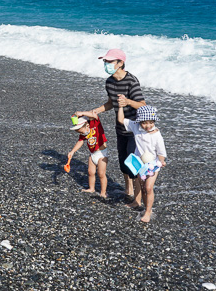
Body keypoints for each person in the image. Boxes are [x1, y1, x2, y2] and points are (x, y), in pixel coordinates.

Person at [84, 48, 147, 203]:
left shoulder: (131, 81)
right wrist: (96, 111)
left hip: (134, 129)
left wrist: (127, 102)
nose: (106, 64)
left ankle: (138, 198)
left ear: (120, 63)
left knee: (132, 164)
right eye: (105, 61)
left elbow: (142, 105)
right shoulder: (109, 82)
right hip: (120, 129)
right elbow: (111, 103)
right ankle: (128, 189)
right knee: (122, 161)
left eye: (109, 61)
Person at [117, 104, 166, 223]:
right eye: (144, 123)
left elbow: (161, 152)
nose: (147, 126)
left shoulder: (156, 135)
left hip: (153, 164)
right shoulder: (135, 126)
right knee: (143, 187)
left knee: (149, 187)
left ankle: (148, 212)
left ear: (154, 121)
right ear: (139, 121)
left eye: (150, 122)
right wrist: (120, 107)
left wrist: (162, 161)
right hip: (139, 164)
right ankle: (146, 207)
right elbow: (120, 120)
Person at [66, 113, 109, 198]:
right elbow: (80, 141)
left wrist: (82, 113)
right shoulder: (83, 133)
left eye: (80, 131)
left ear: (86, 126)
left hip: (102, 154)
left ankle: (103, 192)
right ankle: (91, 188)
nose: (80, 133)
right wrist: (72, 151)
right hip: (92, 153)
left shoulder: (95, 125)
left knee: (101, 173)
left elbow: (94, 115)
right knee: (90, 172)